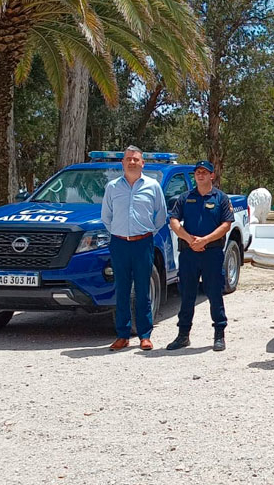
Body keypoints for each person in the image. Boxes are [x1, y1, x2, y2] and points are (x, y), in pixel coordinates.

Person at [100, 146, 168, 351]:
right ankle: (122, 335)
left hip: (143, 243)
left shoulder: (153, 186)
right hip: (119, 243)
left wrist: (145, 234)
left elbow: (161, 216)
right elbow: (106, 216)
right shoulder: (112, 187)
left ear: (142, 163)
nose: (132, 162)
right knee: (121, 290)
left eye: (135, 159)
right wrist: (119, 233)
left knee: (142, 290)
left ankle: (145, 335)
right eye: (128, 159)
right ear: (122, 163)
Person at [165, 160, 234, 352]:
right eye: (198, 172)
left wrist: (204, 240)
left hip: (212, 253)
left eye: (205, 172)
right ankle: (183, 335)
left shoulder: (220, 198)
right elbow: (174, 221)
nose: (201, 175)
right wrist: (190, 240)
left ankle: (219, 334)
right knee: (187, 294)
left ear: (212, 175)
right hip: (189, 253)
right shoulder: (185, 198)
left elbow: (226, 225)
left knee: (214, 293)